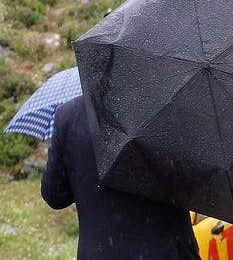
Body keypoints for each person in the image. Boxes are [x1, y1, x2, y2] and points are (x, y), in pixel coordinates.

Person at [41, 95, 200, 260]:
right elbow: (198, 185)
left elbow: (54, 196)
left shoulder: (68, 115)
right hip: (169, 253)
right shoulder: (167, 107)